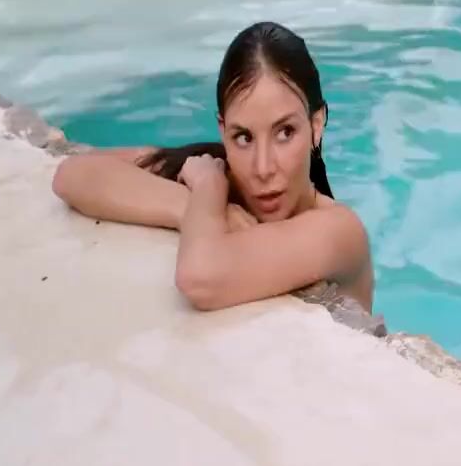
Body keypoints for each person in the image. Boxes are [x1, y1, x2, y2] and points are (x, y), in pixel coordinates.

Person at [51, 21, 373, 312]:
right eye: (243, 137)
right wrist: (196, 205)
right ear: (223, 130)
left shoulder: (340, 231)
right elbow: (74, 174)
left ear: (316, 125)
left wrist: (206, 192)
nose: (263, 168)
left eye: (285, 133)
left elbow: (200, 278)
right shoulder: (217, 175)